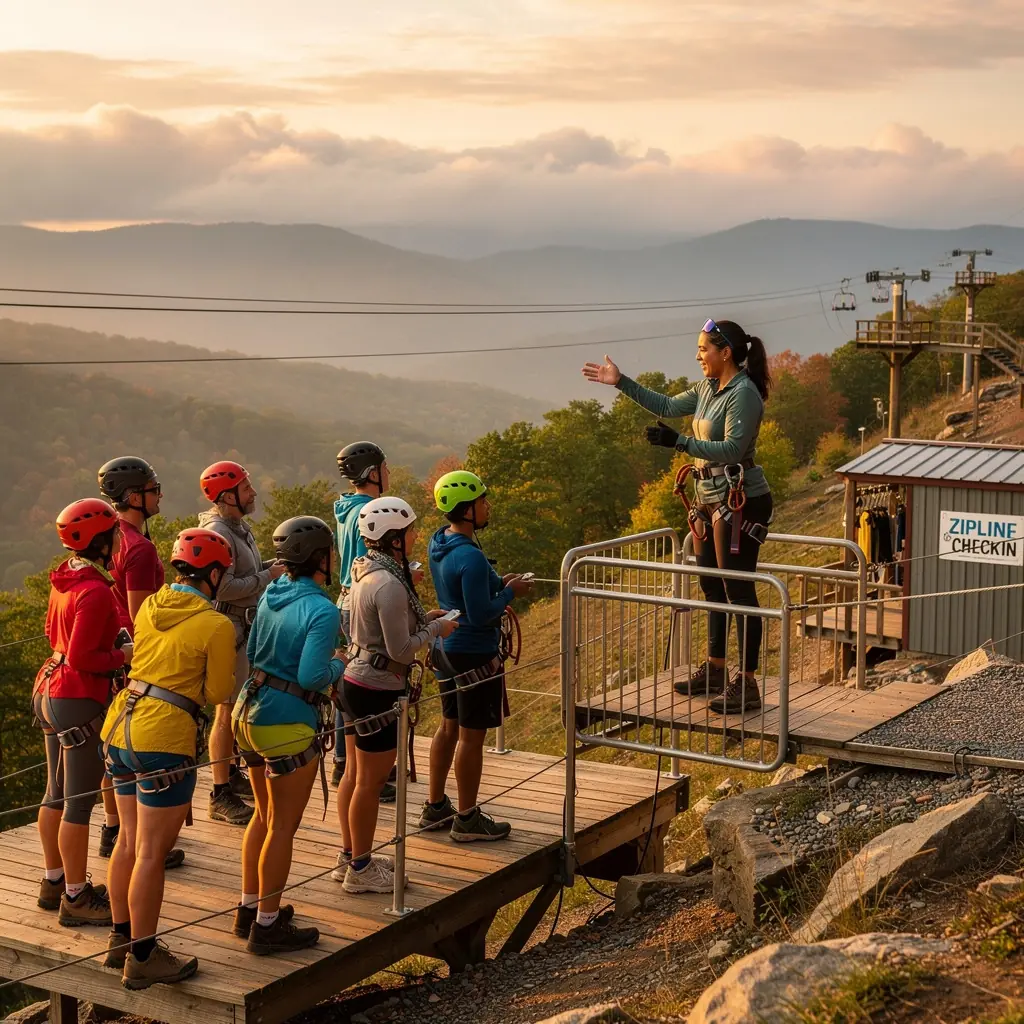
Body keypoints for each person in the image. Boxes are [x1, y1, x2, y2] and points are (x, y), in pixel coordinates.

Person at [582, 318, 774, 712]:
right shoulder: (707, 388)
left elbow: (734, 450)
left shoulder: (744, 394)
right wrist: (620, 382)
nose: (698, 355)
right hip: (708, 497)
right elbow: (668, 406)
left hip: (740, 499)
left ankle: (748, 683)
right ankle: (716, 669)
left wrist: (680, 442)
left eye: (704, 349)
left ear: (726, 353)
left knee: (738, 591)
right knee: (712, 587)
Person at [101, 528, 237, 990]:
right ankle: (143, 957)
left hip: (121, 725)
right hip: (164, 738)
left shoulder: (150, 607)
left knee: (127, 841)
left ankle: (121, 938)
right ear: (213, 575)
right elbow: (218, 692)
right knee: (151, 853)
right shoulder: (216, 625)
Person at [334, 497, 457, 893]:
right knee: (370, 783)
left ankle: (351, 855)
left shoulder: (365, 570)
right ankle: (360, 869)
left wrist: (424, 620)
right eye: (410, 531)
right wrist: (435, 631)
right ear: (394, 538)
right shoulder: (388, 584)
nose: (416, 536)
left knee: (354, 775)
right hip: (377, 687)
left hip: (355, 681)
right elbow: (401, 650)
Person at [233, 516, 342, 955]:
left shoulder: (271, 594)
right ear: (319, 558)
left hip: (248, 711)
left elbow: (254, 651)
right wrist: (340, 662)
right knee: (282, 826)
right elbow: (313, 676)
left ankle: (249, 908)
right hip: (285, 721)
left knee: (262, 816)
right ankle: (267, 925)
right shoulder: (323, 610)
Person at [422, 471, 532, 841]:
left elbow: (461, 591)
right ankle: (467, 819)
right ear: (467, 509)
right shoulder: (469, 555)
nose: (487, 506)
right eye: (482, 501)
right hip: (474, 653)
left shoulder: (440, 541)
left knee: (448, 727)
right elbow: (482, 612)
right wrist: (510, 592)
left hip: (445, 649)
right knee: (471, 737)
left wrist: (497, 583)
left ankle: (435, 805)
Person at [33, 498, 124, 927]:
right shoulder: (95, 590)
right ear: (101, 541)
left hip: (49, 685)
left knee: (54, 792)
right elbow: (86, 657)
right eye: (114, 533)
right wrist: (123, 655)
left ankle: (54, 881)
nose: (119, 538)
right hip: (77, 696)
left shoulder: (65, 579)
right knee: (79, 803)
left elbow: (53, 633)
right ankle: (75, 896)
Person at [96, 456, 183, 870]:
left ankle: (113, 829)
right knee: (140, 749)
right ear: (134, 497)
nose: (159, 495)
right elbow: (142, 615)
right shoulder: (140, 548)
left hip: (112, 650)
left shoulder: (111, 537)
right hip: (138, 657)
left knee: (112, 748)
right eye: (153, 489)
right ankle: (142, 844)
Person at [198, 461, 286, 826]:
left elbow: (245, 572)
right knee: (226, 709)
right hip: (231, 627)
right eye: (246, 488)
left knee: (236, 708)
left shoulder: (237, 526)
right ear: (227, 496)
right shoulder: (219, 532)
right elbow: (224, 587)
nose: (253, 493)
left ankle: (231, 774)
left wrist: (271, 567)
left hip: (245, 625)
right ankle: (220, 793)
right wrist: (268, 575)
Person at [331, 442, 388, 792]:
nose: (389, 473)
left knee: (349, 680)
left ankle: (345, 762)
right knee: (367, 683)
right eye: (385, 467)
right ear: (372, 473)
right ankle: (361, 768)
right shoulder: (370, 511)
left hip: (346, 598)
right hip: (363, 601)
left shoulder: (347, 508)